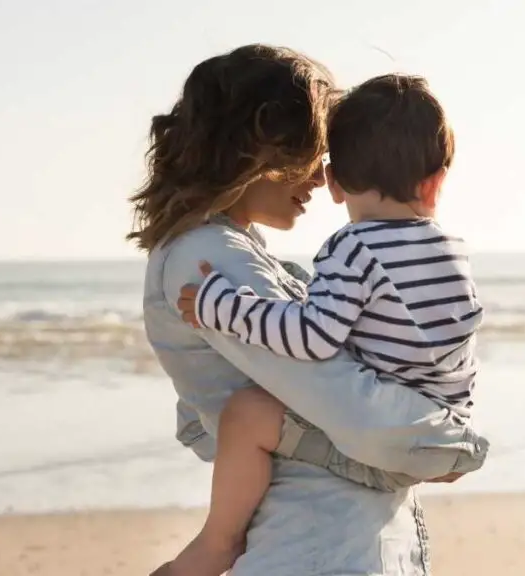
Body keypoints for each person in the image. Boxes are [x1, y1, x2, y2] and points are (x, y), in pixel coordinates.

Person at [130, 44, 489, 576]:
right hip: (319, 545)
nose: (323, 181)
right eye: (310, 157)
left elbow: (214, 409)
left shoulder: (231, 253)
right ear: (255, 151)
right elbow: (345, 401)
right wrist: (446, 444)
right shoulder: (210, 260)